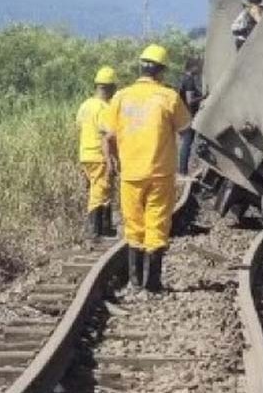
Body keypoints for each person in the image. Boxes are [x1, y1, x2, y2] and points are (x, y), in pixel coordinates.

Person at [102, 44, 191, 293]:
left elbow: (109, 135)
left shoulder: (120, 97)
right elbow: (185, 129)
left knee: (134, 226)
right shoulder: (169, 97)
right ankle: (153, 283)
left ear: (141, 67)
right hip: (160, 173)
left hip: (130, 174)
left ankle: (135, 281)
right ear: (161, 71)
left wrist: (111, 161)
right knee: (157, 225)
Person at [77, 66, 117, 239]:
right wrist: (110, 160)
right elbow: (107, 135)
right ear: (110, 88)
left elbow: (79, 126)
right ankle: (95, 230)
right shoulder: (103, 108)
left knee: (100, 189)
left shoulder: (85, 105)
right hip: (99, 155)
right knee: (100, 191)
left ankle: (104, 228)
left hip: (85, 154)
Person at [177, 57, 204, 175]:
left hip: (184, 116)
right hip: (188, 116)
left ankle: (183, 169)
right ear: (193, 67)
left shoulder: (183, 78)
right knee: (187, 143)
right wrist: (204, 97)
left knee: (187, 143)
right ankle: (182, 170)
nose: (200, 68)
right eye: (198, 66)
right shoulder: (189, 80)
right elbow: (190, 101)